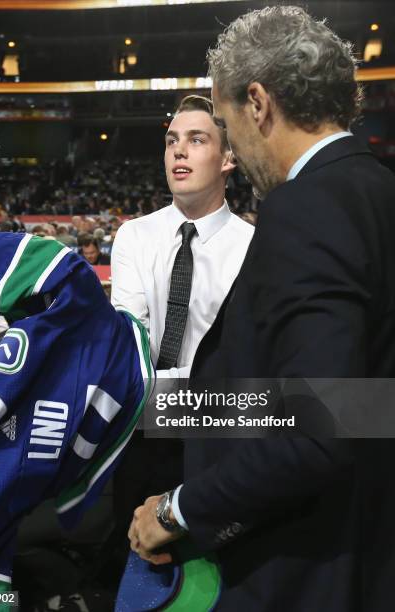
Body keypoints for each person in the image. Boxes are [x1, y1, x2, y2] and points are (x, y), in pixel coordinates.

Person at [128, 6, 395, 611]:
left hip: (303, 560)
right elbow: (363, 402)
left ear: (258, 103)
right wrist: (169, 414)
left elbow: (319, 430)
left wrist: (179, 507)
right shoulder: (377, 190)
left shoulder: (307, 207)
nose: (236, 153)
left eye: (220, 125)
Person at [110, 94, 253, 580]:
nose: (179, 151)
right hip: (141, 439)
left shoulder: (256, 247)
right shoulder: (134, 237)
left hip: (216, 444)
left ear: (228, 158)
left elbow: (242, 368)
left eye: (196, 140)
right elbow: (131, 349)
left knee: (209, 578)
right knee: (132, 574)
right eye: (172, 140)